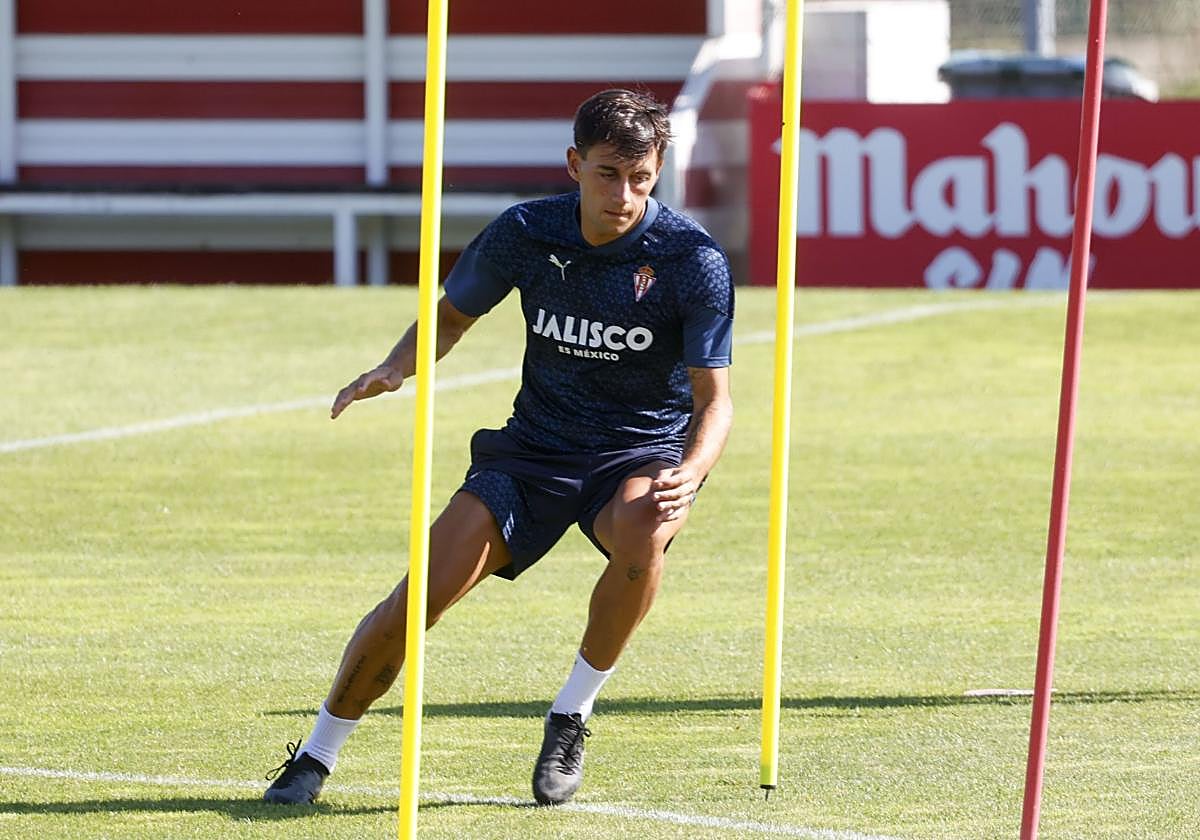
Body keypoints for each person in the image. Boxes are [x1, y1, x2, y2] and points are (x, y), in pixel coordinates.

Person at [262, 88, 734, 807]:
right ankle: (316, 755)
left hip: (638, 452)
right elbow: (450, 319)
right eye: (608, 174)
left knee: (646, 525)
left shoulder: (691, 258)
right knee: (419, 597)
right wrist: (396, 366)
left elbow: (714, 400)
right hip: (531, 452)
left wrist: (692, 471)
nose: (624, 196)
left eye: (641, 179)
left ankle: (571, 714)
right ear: (574, 164)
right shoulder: (526, 231)